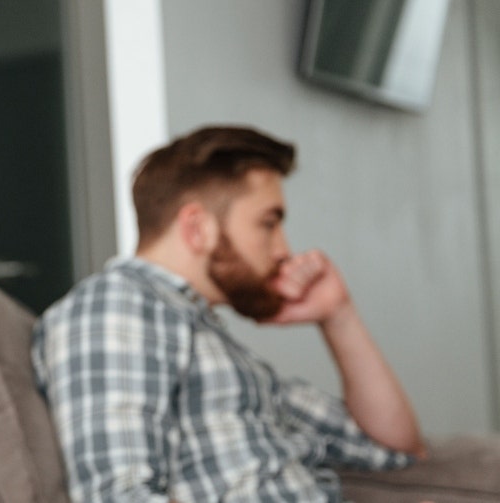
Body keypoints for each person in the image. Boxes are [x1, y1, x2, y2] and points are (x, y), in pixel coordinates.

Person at [32, 125, 424, 502]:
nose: (283, 249)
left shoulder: (213, 344)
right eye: (268, 224)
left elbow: (393, 447)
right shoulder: (118, 310)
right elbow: (120, 497)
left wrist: (338, 315)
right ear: (197, 228)